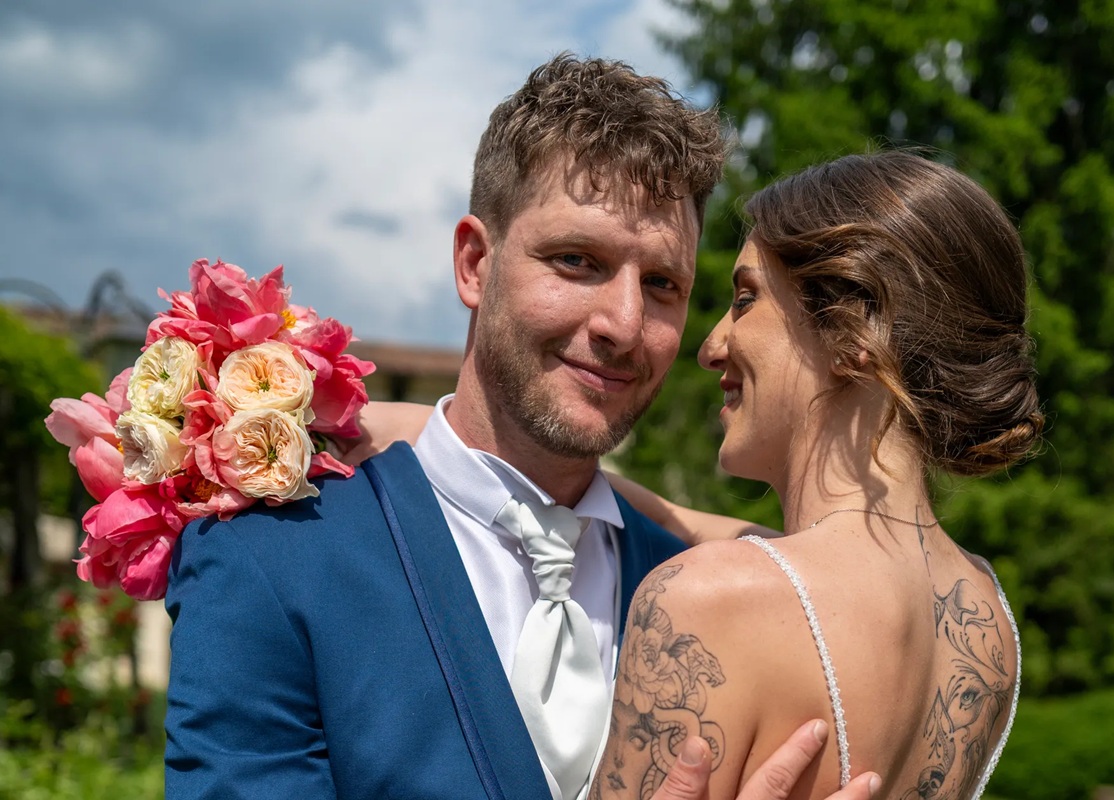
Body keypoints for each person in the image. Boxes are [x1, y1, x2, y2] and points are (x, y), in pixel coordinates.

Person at [163, 54, 881, 800]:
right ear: (475, 263)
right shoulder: (270, 557)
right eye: (577, 260)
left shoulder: (716, 597)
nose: (625, 325)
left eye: (663, 284)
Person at [585, 151, 1041, 799]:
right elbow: (686, 522)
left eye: (746, 299)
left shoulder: (710, 599)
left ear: (856, 328)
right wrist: (449, 433)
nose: (711, 344)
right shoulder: (989, 619)